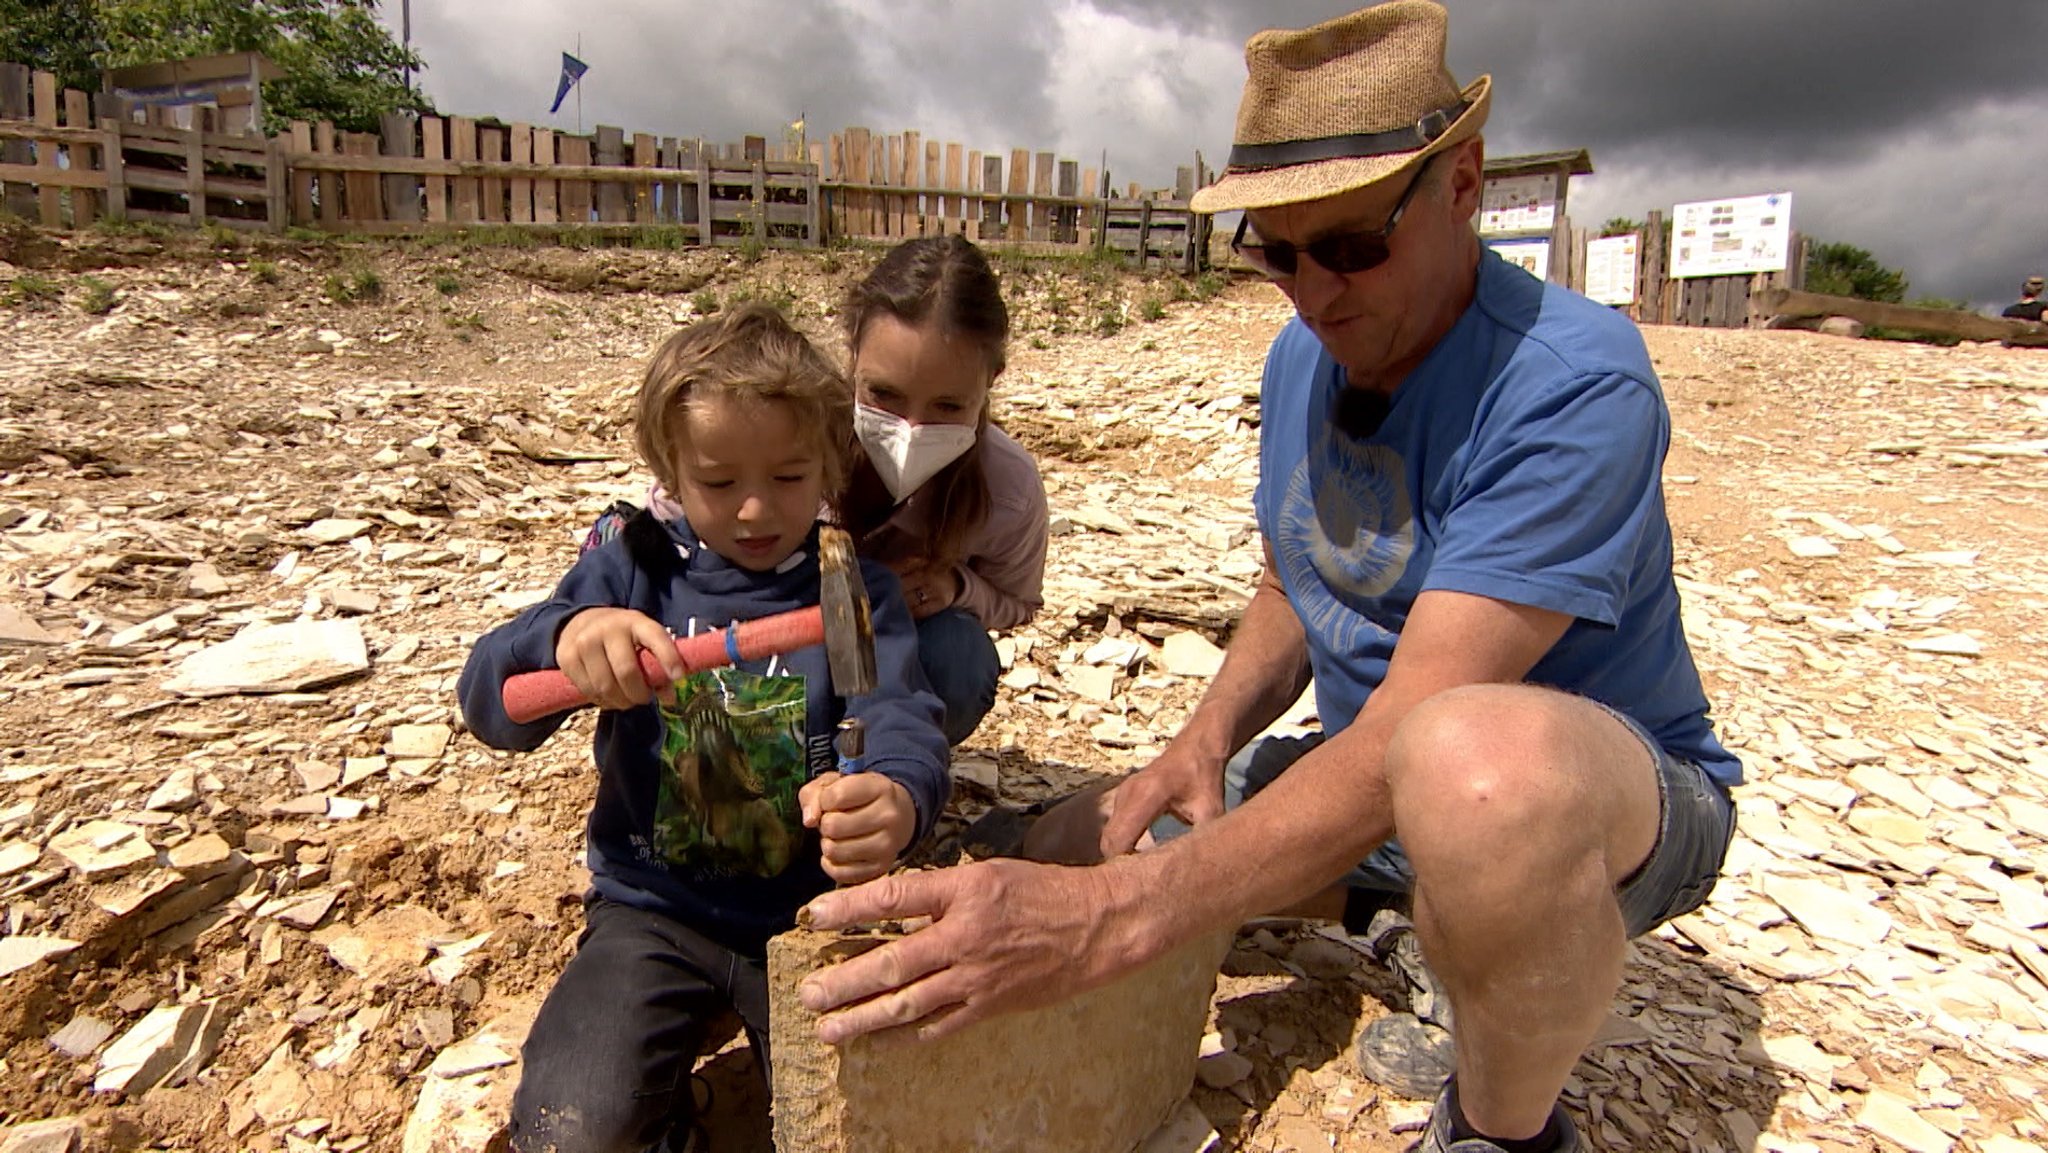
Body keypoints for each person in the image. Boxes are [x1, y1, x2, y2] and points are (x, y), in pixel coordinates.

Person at [794, 6, 1740, 1153]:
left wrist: (1113, 919)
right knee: (1063, 843)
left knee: (1468, 772)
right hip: (1372, 783)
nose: (1313, 290)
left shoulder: (1572, 384)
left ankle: (1502, 1126)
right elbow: (1298, 583)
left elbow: (1413, 721)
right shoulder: (1309, 350)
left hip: (1593, 803)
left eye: (1347, 245)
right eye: (1275, 250)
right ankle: (1396, 904)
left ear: (1462, 185)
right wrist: (1201, 743)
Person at [458, 304, 949, 1153]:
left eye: (792, 476)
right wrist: (567, 638)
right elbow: (491, 703)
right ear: (670, 471)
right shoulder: (630, 568)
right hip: (652, 910)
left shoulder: (845, 583)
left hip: (808, 916)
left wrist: (896, 796)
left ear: (831, 464)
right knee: (570, 1130)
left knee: (875, 1122)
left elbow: (894, 711)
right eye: (720, 483)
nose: (756, 509)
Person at [635, 236, 1047, 746]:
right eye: (884, 394)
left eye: (948, 406)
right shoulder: (788, 431)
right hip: (744, 652)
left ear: (991, 381)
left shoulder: (1008, 488)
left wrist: (955, 589)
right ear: (852, 354)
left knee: (958, 654)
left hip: (887, 674)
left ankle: (886, 763)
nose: (910, 430)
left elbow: (1018, 599)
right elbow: (665, 537)